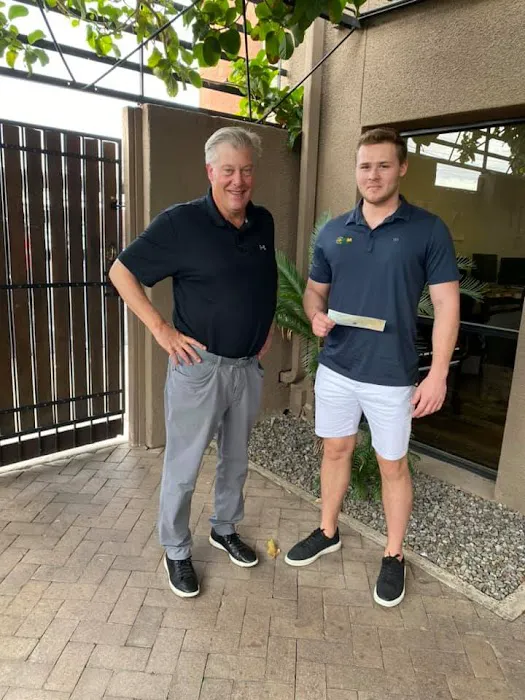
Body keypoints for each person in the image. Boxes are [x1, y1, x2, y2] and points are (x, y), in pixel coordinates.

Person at [284, 127, 460, 608]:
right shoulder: (334, 231)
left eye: (383, 165)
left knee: (392, 466)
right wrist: (315, 315)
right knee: (335, 451)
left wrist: (438, 373)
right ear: (356, 170)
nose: (373, 175)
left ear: (402, 168)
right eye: (365, 166)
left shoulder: (427, 230)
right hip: (337, 367)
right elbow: (314, 291)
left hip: (391, 376)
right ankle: (327, 530)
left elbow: (448, 305)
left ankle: (394, 554)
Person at [109, 127, 276, 598]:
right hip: (200, 369)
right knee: (183, 466)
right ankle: (176, 549)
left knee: (236, 461)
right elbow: (121, 272)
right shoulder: (180, 224)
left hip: (246, 369)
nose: (238, 181)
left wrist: (262, 331)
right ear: (210, 172)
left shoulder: (263, 222)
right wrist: (161, 329)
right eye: (229, 171)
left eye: (246, 170)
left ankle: (224, 528)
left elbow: (261, 283)